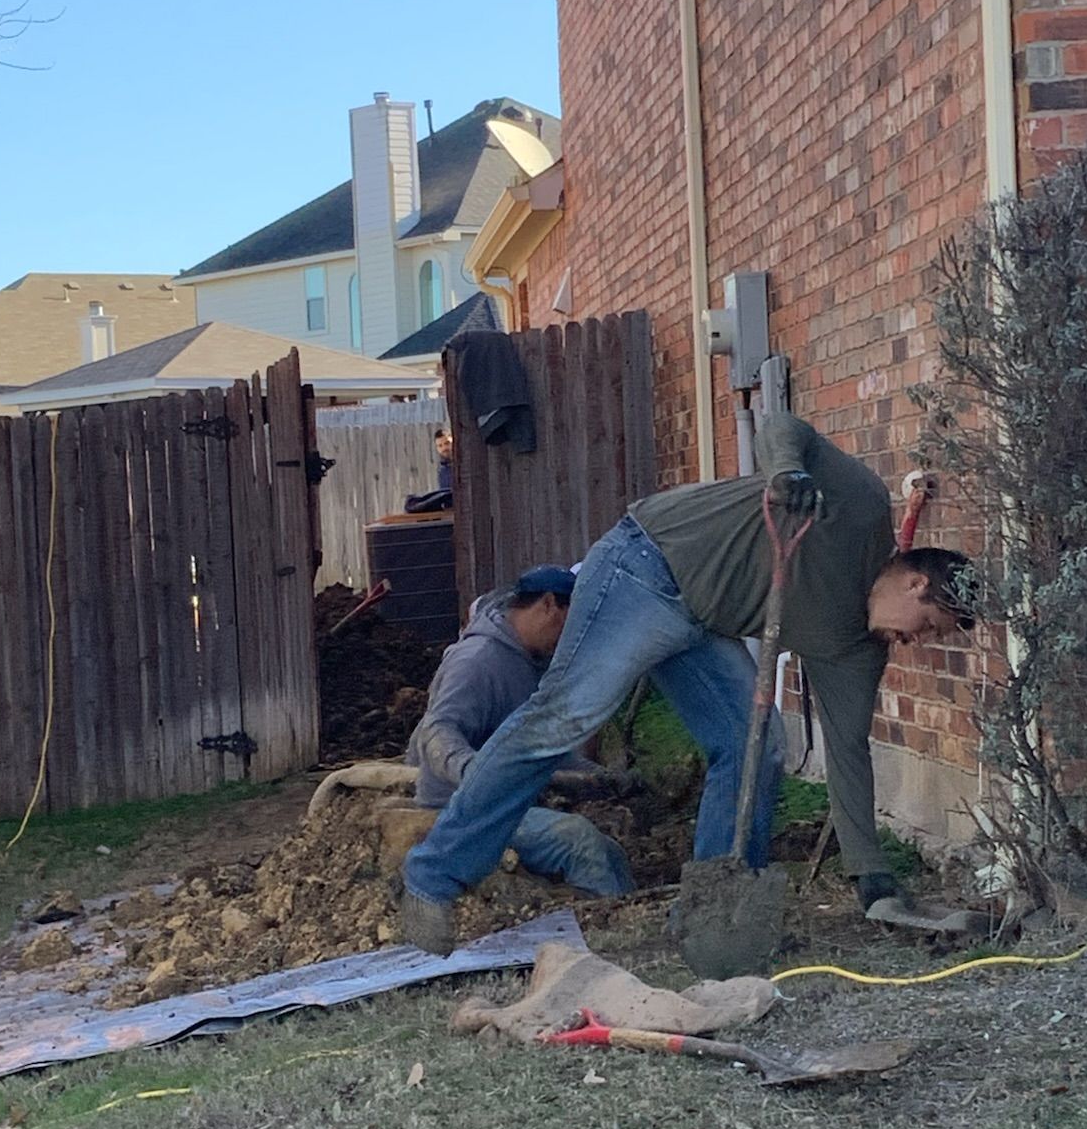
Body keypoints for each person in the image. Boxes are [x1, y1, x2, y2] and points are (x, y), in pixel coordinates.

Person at [399, 405, 976, 956]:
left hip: (702, 622)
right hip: (647, 565)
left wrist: (872, 879)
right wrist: (785, 471)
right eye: (928, 626)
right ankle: (432, 877)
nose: (919, 642)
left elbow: (849, 755)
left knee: (758, 746)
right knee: (565, 717)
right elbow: (784, 426)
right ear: (915, 584)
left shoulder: (857, 650)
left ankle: (713, 914)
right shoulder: (860, 506)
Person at [405, 564, 634, 899]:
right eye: (572, 622)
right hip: (458, 811)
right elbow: (438, 729)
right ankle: (601, 931)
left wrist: (599, 778)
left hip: (505, 805)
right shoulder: (477, 661)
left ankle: (630, 915)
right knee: (578, 840)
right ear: (548, 605)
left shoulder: (531, 663)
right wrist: (477, 775)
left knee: (610, 851)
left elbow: (538, 748)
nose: (571, 638)